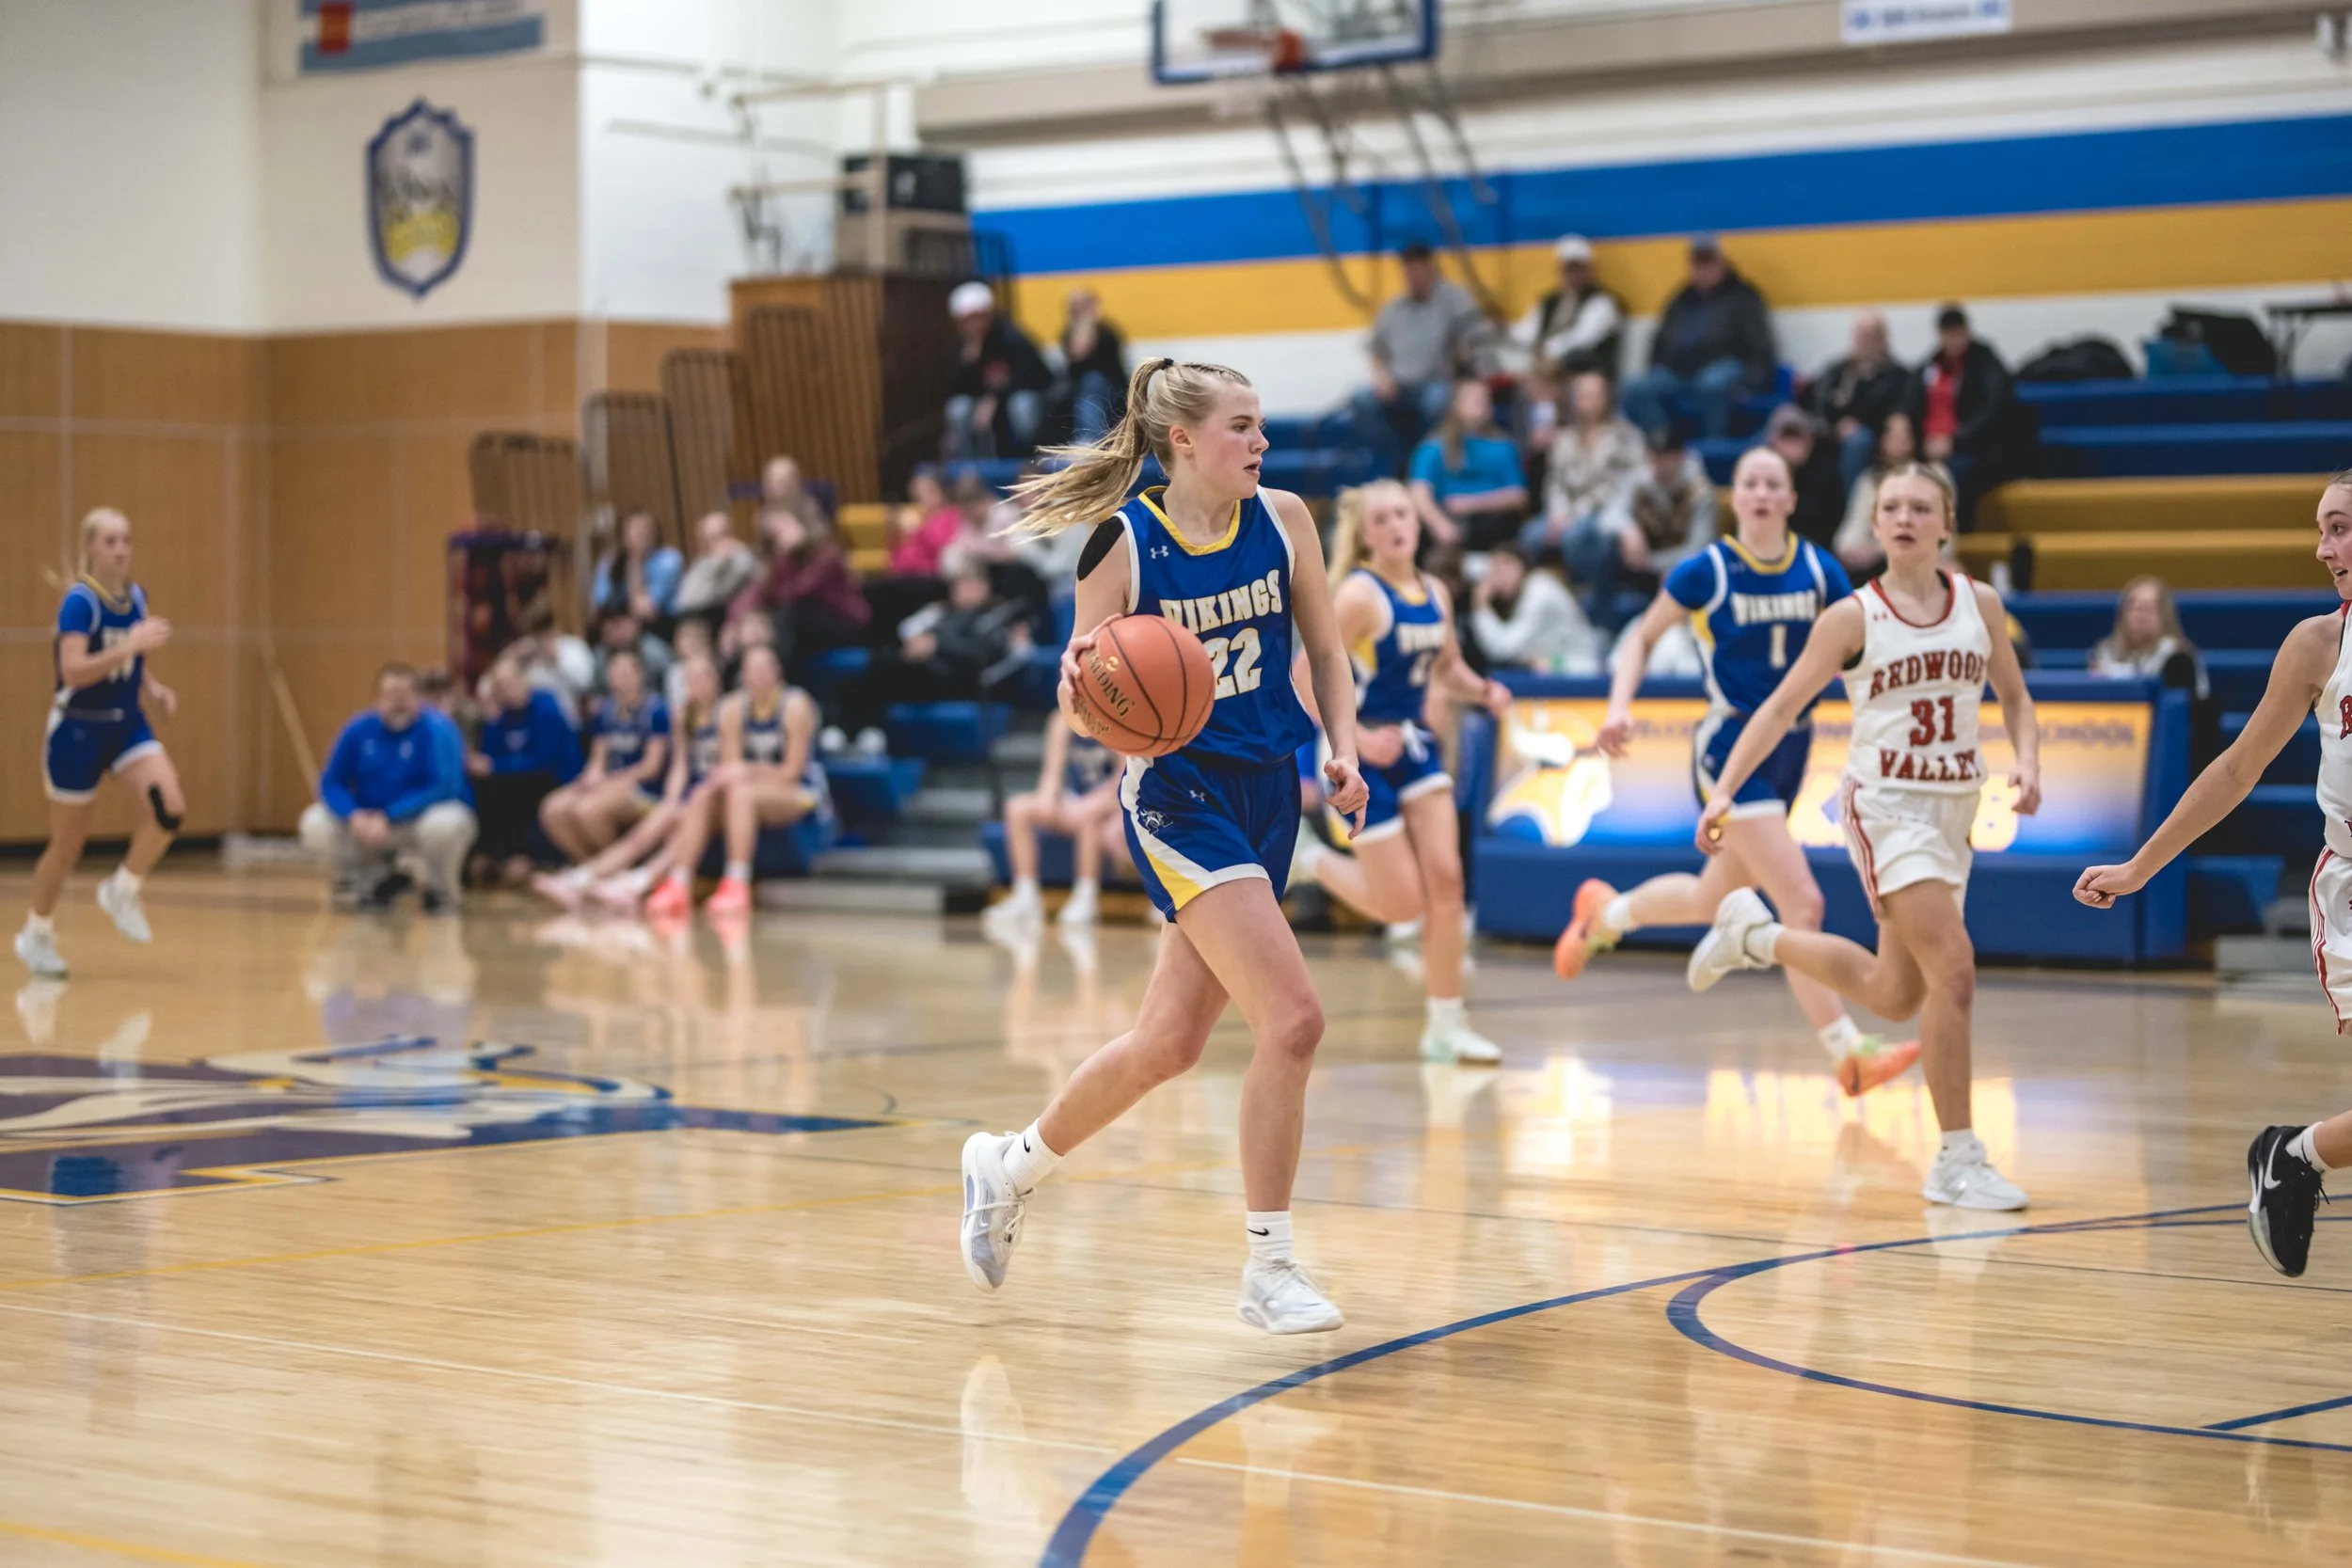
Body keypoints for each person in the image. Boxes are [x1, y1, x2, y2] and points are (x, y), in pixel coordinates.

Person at [959, 356, 1371, 1336]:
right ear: (1181, 440)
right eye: (1240, 426)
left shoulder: (1285, 520)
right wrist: (1085, 684)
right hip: (1178, 797)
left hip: (1271, 788)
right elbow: (1078, 691)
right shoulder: (1124, 543)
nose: (1260, 442)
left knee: (1168, 1044)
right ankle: (1268, 1266)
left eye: (1261, 424)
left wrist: (1343, 747)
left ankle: (1007, 1165)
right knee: (1295, 1019)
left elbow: (1324, 650)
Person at [1687, 462, 2041, 1209]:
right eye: (1891, 506)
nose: (1905, 517)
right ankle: (1956, 1157)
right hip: (1884, 807)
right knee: (1955, 968)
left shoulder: (1979, 601)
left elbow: (2014, 696)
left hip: (1954, 810)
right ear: (1874, 525)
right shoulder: (1851, 616)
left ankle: (1756, 937)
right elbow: (1781, 707)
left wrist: (2029, 763)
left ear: (1947, 523)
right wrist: (1723, 787)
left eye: (1921, 506)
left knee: (1895, 992)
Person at [1552, 448, 1912, 1095]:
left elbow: (1861, 647)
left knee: (1707, 898)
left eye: (1776, 483)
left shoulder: (1818, 569)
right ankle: (1847, 1052)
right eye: (1751, 482)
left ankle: (1605, 913)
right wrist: (1617, 707)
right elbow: (1638, 635)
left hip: (1794, 748)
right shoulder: (1708, 570)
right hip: (1729, 748)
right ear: (1735, 497)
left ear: (1792, 498)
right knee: (1802, 901)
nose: (1763, 493)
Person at [2074, 471, 2350, 1275]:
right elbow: (2235, 771)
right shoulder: (2317, 645)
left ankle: (2296, 1157)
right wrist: (2138, 865)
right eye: (2320, 529)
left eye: (2339, 528)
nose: (2321, 547)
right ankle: (2293, 1157)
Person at [1289, 479, 1514, 1065]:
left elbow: (1449, 668)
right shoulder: (1359, 596)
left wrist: (1485, 691)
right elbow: (1302, 676)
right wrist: (1356, 736)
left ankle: (1445, 1024)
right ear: (1365, 535)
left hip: (1413, 746)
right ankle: (1308, 859)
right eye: (1383, 518)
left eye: (1403, 515)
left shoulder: (1436, 591)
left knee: (1447, 879)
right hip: (1353, 752)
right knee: (1400, 906)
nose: (1396, 525)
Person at [18, 509, 186, 978]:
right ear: (90, 547)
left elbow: (132, 659)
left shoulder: (137, 596)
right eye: (110, 541)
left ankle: (123, 888)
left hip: (125, 724)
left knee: (168, 807)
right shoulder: (80, 602)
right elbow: (73, 669)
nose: (121, 550)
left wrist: (152, 687)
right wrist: (131, 648)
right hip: (77, 730)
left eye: (127, 540)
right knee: (68, 845)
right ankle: (38, 931)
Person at [644, 643, 827, 920]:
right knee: (705, 793)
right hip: (753, 789)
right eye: (752, 669)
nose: (759, 675)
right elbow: (729, 769)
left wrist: (746, 771)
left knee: (741, 792)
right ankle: (678, 882)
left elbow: (792, 771)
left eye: (765, 667)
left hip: (800, 792)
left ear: (777, 671)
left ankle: (737, 883)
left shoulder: (794, 704)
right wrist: (726, 780)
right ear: (743, 676)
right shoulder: (732, 707)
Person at [299, 664, 477, 915]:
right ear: (378, 699)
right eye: (391, 697)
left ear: (418, 698)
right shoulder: (358, 729)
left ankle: (440, 890)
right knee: (315, 822)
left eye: (405, 696)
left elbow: (444, 786)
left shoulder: (439, 730)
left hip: (417, 821)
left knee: (444, 824)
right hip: (370, 823)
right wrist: (354, 815)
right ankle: (371, 880)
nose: (399, 704)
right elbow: (331, 782)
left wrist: (390, 814)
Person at [585, 653, 723, 911]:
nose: (694, 684)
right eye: (688, 679)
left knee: (683, 818)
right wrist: (672, 798)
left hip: (717, 796)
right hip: (693, 794)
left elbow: (725, 768)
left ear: (715, 679)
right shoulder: (682, 715)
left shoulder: (728, 712)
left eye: (701, 677)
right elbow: (680, 766)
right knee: (657, 821)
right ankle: (587, 876)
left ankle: (641, 880)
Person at [532, 646, 670, 898]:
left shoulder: (655, 709)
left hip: (644, 788)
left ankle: (612, 875)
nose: (621, 676)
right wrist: (590, 779)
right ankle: (590, 872)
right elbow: (598, 759)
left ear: (640, 675)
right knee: (554, 808)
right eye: (615, 670)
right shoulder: (605, 711)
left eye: (627, 670)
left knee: (589, 811)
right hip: (611, 783)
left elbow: (652, 767)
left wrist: (610, 781)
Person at [1565, 424, 1718, 633]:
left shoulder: (1700, 491)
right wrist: (1628, 530)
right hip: (1638, 562)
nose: (1660, 463)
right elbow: (1608, 517)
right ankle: (1603, 629)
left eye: (1666, 456)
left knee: (1695, 569)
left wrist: (1660, 564)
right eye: (1655, 456)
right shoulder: (1637, 480)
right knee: (1604, 545)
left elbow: (1700, 546)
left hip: (1676, 565)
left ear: (1680, 457)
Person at [1620, 235, 1776, 440]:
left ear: (1722, 263)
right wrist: (1657, 368)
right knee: (1635, 388)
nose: (1703, 269)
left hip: (1726, 368)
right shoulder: (1680, 299)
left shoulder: (1743, 297)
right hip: (1678, 373)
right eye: (1697, 263)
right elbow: (1658, 343)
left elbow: (1761, 347)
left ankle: (1712, 446)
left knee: (1711, 384)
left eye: (1708, 261)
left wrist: (1752, 384)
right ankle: (1666, 442)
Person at [1353, 241, 1492, 470]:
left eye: (1416, 269)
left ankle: (1424, 460)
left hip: (1437, 382)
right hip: (1397, 387)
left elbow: (1474, 342)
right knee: (1361, 400)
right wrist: (1382, 376)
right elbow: (1376, 351)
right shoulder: (1394, 308)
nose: (1411, 276)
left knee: (1436, 401)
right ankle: (1399, 458)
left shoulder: (1454, 300)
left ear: (1430, 268)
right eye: (1407, 270)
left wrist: (1461, 367)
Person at [986, 712, 1126, 932]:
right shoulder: (1061, 721)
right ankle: (1026, 896)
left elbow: (1123, 779)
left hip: (1111, 804)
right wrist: (1048, 797)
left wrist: (1091, 805)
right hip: (1074, 798)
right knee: (1017, 808)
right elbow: (1052, 772)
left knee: (1090, 820)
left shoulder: (1115, 719)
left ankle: (1085, 897)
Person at [1902, 304, 2023, 530]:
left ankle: (1955, 530)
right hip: (1928, 445)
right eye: (1948, 335)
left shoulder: (1985, 363)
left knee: (1955, 472)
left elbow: (1994, 408)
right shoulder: (1929, 367)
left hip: (1972, 447)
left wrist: (1955, 440)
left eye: (1958, 333)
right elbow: (1910, 405)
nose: (1953, 340)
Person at [467, 653, 580, 885]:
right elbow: (490, 755)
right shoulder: (500, 716)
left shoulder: (546, 707)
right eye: (500, 686)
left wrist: (496, 766)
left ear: (524, 680)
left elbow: (544, 760)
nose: (508, 690)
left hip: (552, 780)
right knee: (486, 787)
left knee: (515, 787)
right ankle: (493, 853)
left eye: (511, 682)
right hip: (514, 782)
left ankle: (530, 855)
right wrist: (493, 722)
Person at [733, 506, 871, 677]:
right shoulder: (782, 561)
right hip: (809, 628)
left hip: (845, 623)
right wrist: (740, 621)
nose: (782, 536)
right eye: (775, 534)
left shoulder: (828, 555)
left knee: (787, 616)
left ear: (801, 525)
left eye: (785, 526)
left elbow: (797, 592)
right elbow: (755, 593)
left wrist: (784, 557)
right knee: (760, 624)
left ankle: (778, 675)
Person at [1525, 371, 1645, 564]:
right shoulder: (1564, 438)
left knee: (1577, 535)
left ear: (1607, 397)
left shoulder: (1625, 435)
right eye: (1583, 395)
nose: (1588, 400)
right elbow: (1555, 482)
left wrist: (1575, 513)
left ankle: (1585, 590)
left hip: (1602, 512)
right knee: (1531, 534)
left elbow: (1616, 485)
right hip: (1565, 510)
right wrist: (1558, 513)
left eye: (1594, 394)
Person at [1407, 378, 1530, 552]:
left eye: (1483, 399)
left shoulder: (1504, 446)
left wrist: (1470, 503)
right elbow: (1419, 493)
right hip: (1445, 521)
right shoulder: (1433, 447)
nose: (1478, 404)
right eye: (1471, 399)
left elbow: (1518, 496)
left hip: (1492, 523)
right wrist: (1440, 525)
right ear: (1455, 404)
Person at [1806, 310, 1914, 497]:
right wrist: (1835, 429)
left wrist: (1868, 426)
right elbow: (1818, 407)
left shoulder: (1900, 376)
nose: (1866, 342)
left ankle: (1854, 510)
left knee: (1859, 440)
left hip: (1875, 443)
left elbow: (1900, 411)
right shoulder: (1836, 371)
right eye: (1861, 336)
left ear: (1883, 339)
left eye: (1872, 336)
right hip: (1831, 439)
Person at [945, 280, 1053, 461]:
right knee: (958, 409)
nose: (972, 325)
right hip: (983, 404)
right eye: (965, 320)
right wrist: (969, 360)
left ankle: (1031, 462)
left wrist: (996, 397)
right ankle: (971, 468)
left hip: (1018, 398)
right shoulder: (963, 347)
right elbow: (954, 389)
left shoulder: (1011, 338)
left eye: (976, 317)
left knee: (1022, 406)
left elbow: (1033, 377)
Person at [1513, 234, 1624, 404]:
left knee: (1547, 379)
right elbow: (1524, 333)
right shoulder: (1548, 302)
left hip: (1583, 369)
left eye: (1577, 268)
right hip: (1543, 366)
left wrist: (1546, 356)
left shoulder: (1602, 303)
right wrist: (1500, 331)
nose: (1572, 275)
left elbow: (1581, 339)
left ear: (1589, 269)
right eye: (1567, 269)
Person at [1468, 544, 1603, 674]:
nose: (1493, 579)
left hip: (1580, 670)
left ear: (1518, 565)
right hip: (1556, 667)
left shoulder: (1540, 590)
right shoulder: (1527, 590)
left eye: (1499, 569)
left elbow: (1504, 649)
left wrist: (1481, 605)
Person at [1833, 412, 1924, 577]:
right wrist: (1849, 548)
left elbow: (1939, 536)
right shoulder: (1869, 480)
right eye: (1892, 434)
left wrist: (1878, 549)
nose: (1899, 441)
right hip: (1877, 564)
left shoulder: (1933, 478)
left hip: (1921, 558)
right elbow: (1850, 532)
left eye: (1905, 435)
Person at [2088, 577, 2208, 700]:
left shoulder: (2180, 657)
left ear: (2164, 616)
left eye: (2148, 610)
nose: (2141, 617)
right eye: (2135, 609)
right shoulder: (2105, 651)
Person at [1761, 404, 1847, 551]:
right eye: (1786, 438)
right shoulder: (1760, 479)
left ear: (1810, 441)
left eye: (1797, 438)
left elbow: (1825, 528)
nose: (1792, 446)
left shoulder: (1827, 477)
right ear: (1773, 442)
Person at [1056, 287, 1128, 446]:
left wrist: (1088, 327)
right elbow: (1075, 361)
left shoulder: (1106, 333)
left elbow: (1089, 356)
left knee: (1092, 386)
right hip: (1077, 390)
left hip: (1111, 392)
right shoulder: (1067, 334)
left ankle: (1092, 441)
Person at [591, 510, 683, 633]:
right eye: (633, 529)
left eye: (645, 529)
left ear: (655, 533)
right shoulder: (611, 561)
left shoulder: (668, 559)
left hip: (661, 626)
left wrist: (636, 563)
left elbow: (644, 610)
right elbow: (601, 602)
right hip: (617, 627)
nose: (639, 534)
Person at [673, 511, 761, 628]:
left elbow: (755, 578)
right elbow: (686, 602)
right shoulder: (703, 564)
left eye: (724, 534)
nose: (721, 542)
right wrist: (717, 564)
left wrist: (729, 558)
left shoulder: (744, 557)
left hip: (742, 620)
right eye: (713, 538)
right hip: (709, 621)